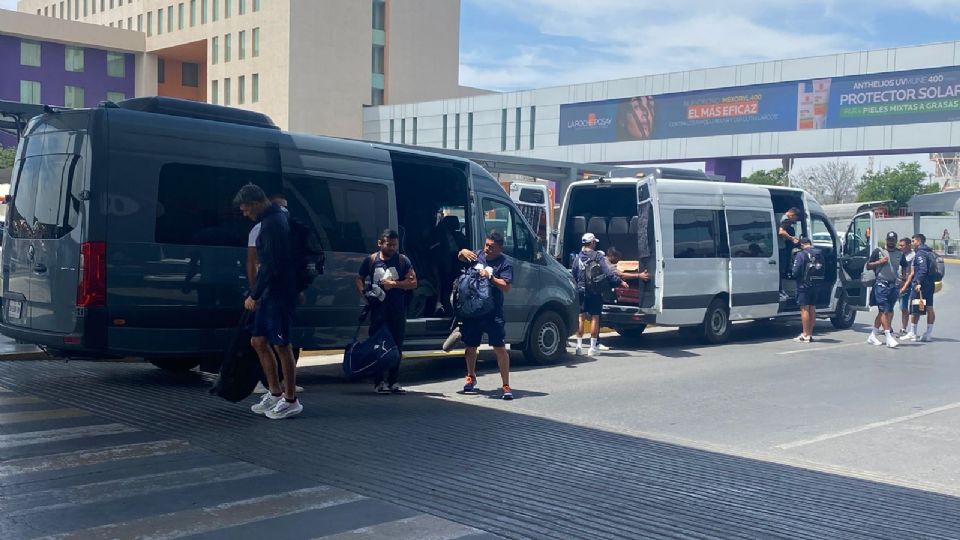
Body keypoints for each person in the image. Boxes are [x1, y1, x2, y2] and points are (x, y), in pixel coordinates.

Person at [235, 184, 303, 420]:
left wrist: (254, 294)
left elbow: (271, 266)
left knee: (282, 345)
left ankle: (291, 399)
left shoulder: (274, 223)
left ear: (255, 203)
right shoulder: (269, 221)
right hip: (270, 292)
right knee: (258, 340)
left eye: (245, 209)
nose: (244, 214)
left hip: (279, 292)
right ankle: (275, 392)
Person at [356, 229, 417, 394]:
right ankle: (378, 382)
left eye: (395, 245)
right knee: (378, 344)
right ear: (380, 244)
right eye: (389, 245)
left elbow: (413, 283)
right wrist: (364, 293)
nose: (392, 248)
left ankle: (394, 381)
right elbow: (359, 278)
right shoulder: (371, 260)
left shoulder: (403, 260)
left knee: (397, 345)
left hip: (397, 310)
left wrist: (395, 284)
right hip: (377, 310)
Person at [457, 231, 514, 400]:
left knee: (499, 347)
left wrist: (491, 277)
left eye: (492, 247)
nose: (487, 248)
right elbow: (460, 257)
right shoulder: (477, 255)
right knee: (471, 346)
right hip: (473, 310)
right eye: (487, 244)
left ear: (500, 248)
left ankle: (505, 385)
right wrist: (462, 252)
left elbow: (506, 286)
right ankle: (470, 376)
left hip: (493, 311)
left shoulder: (505, 263)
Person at [572, 233, 628, 356]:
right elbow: (608, 272)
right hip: (594, 291)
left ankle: (579, 346)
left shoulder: (577, 257)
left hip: (580, 290)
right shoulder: (597, 256)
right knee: (595, 318)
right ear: (592, 243)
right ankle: (592, 348)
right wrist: (620, 282)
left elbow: (573, 275)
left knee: (580, 318)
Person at [865, 232, 902, 348]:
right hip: (881, 284)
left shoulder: (899, 253)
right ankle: (888, 337)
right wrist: (879, 262)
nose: (891, 242)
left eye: (893, 240)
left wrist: (903, 280)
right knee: (884, 310)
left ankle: (872, 335)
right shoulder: (878, 251)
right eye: (889, 240)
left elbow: (905, 265)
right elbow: (868, 265)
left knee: (885, 312)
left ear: (895, 241)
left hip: (893, 285)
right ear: (886, 240)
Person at [905, 233, 936, 342]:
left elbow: (923, 269)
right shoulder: (929, 251)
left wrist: (918, 282)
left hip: (921, 285)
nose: (912, 243)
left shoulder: (920, 253)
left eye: (913, 241)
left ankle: (913, 332)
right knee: (929, 308)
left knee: (915, 307)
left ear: (919, 241)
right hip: (930, 284)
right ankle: (928, 334)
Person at [791, 237, 821, 343]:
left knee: (804, 309)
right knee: (812, 308)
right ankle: (810, 333)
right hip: (816, 284)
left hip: (803, 285)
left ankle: (805, 334)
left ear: (802, 245)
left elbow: (795, 271)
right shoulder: (819, 254)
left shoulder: (801, 254)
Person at [896, 238, 915, 336]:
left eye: (902, 245)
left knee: (903, 307)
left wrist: (905, 284)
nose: (900, 247)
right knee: (889, 306)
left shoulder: (912, 256)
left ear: (908, 245)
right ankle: (888, 328)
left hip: (905, 284)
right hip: (896, 282)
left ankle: (903, 328)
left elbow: (911, 272)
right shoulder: (899, 254)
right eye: (899, 245)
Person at [778, 208, 802, 278]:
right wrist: (792, 239)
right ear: (792, 215)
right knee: (783, 266)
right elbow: (781, 231)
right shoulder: (786, 219)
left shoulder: (778, 215)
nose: (794, 221)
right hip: (780, 246)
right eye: (795, 219)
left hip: (775, 245)